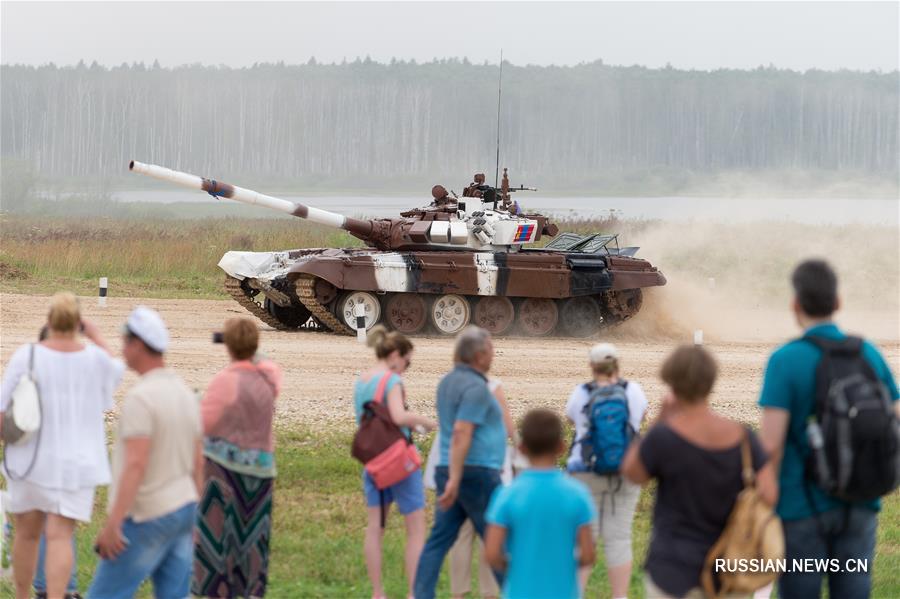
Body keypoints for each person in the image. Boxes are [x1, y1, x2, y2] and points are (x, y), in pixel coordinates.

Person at [758, 259, 899, 599]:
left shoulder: (785, 360)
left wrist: (762, 504)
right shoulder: (867, 353)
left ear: (795, 304)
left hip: (801, 508)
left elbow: (771, 444)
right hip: (861, 503)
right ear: (838, 303)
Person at [621, 345, 777, 599]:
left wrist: (660, 419)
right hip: (728, 569)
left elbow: (631, 474)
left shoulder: (664, 437)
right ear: (711, 381)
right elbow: (769, 495)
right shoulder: (743, 438)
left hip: (673, 569)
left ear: (671, 381)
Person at [0, 292, 122, 599]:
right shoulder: (94, 359)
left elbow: (2, 408)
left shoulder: (27, 356)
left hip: (30, 460)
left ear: (49, 321)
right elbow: (117, 370)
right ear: (78, 323)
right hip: (75, 464)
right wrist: (94, 334)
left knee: (27, 535)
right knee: (59, 538)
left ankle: (23, 595)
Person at [88, 306, 204, 599]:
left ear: (138, 344)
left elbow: (136, 464)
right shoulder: (183, 392)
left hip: (147, 514)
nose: (122, 348)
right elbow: (198, 459)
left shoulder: (141, 399)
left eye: (125, 341)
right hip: (183, 509)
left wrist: (114, 523)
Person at [414, 326, 508, 599]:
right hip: (475, 471)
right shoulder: (477, 388)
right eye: (490, 351)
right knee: (495, 538)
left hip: (448, 467)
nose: (493, 356)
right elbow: (462, 432)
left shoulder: (446, 382)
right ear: (478, 356)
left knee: (439, 540)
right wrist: (457, 478)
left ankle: (422, 593)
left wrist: (451, 475)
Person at [192, 318, 283, 598]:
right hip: (262, 473)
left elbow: (202, 425)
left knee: (217, 544)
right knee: (252, 544)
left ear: (229, 346)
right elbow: (263, 361)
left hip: (225, 475)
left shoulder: (226, 380)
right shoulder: (270, 376)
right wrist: (245, 345)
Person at [354, 325, 436, 599]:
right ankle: (414, 592)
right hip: (399, 461)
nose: (406, 367)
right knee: (415, 528)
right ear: (395, 355)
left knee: (375, 527)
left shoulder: (361, 380)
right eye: (407, 361)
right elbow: (399, 418)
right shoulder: (392, 381)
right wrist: (424, 421)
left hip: (374, 462)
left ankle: (378, 592)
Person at [484, 409, 597, 599]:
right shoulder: (577, 493)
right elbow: (587, 555)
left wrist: (513, 567)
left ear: (521, 448)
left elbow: (492, 553)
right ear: (561, 447)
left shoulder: (507, 494)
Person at [566, 343, 648, 599]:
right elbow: (642, 416)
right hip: (624, 471)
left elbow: (570, 419)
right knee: (619, 538)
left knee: (584, 537)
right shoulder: (632, 391)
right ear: (618, 364)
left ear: (592, 366)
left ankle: (575, 594)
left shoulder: (581, 392)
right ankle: (620, 596)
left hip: (585, 473)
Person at [438, 379, 515, 599]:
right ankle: (489, 593)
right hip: (487, 469)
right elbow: (509, 429)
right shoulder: (493, 387)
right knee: (489, 533)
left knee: (462, 536)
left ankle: (458, 593)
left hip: (459, 467)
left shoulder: (452, 386)